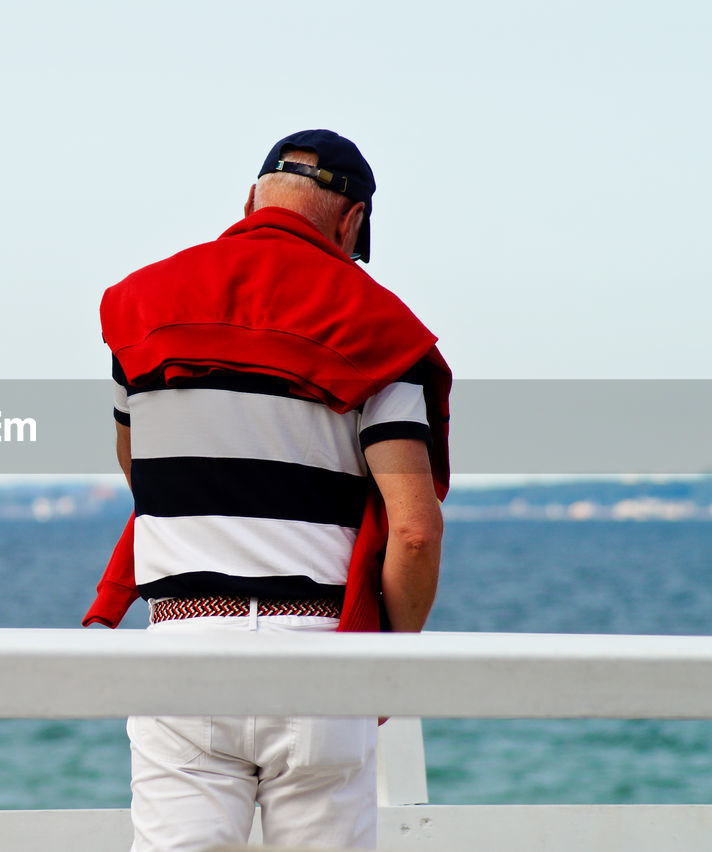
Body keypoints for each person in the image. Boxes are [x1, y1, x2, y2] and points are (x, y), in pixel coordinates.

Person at [84, 130, 452, 851]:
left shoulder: (141, 310)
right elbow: (414, 529)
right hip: (321, 658)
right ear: (351, 223)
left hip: (183, 647)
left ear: (251, 198)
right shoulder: (381, 330)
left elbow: (142, 471)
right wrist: (385, 663)